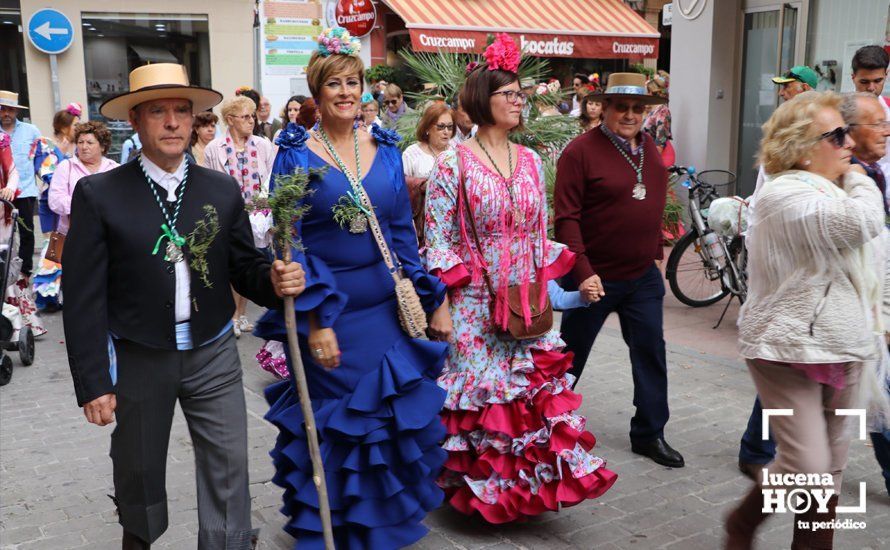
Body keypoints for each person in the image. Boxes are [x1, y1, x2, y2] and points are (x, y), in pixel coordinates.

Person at [63, 62, 304, 550]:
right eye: (158, 111)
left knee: (229, 464)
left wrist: (275, 281)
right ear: (135, 120)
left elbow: (243, 268)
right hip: (139, 354)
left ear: (194, 119)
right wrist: (93, 382)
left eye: (182, 110)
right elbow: (83, 297)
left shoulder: (220, 189)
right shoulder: (100, 193)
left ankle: (227, 544)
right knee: (138, 465)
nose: (172, 122)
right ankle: (140, 538)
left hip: (213, 350)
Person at [256, 27, 451, 549]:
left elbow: (402, 233)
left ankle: (380, 533)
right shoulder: (295, 156)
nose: (345, 92)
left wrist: (434, 301)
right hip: (334, 315)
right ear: (317, 94)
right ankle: (337, 533)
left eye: (353, 82)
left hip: (388, 312)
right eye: (334, 83)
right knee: (341, 429)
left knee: (388, 427)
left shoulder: (385, 149)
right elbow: (289, 245)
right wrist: (315, 321)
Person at [423, 34, 617, 523]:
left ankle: (517, 494)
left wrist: (561, 287)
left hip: (523, 299)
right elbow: (438, 241)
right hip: (470, 304)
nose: (518, 100)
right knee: (482, 400)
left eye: (520, 93)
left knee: (523, 395)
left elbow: (537, 234)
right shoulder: (453, 163)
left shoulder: (530, 161)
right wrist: (440, 307)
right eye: (508, 93)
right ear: (480, 100)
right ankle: (480, 496)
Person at [726, 90, 890, 549]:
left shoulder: (837, 187)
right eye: (837, 136)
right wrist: (861, 180)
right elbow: (857, 225)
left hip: (848, 345)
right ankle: (744, 521)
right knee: (809, 465)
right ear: (800, 146)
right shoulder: (784, 193)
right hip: (787, 349)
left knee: (827, 479)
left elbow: (879, 259)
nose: (848, 145)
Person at [554, 72, 685, 468]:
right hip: (593, 277)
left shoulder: (649, 146)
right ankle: (547, 427)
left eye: (637, 108)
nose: (630, 115)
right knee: (568, 360)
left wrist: (652, 258)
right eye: (622, 107)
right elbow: (567, 219)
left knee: (650, 354)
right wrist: (582, 272)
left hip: (641, 276)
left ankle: (649, 433)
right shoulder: (580, 151)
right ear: (604, 108)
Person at [204, 95, 275, 336]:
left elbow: (271, 179)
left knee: (249, 264)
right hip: (229, 215)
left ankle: (240, 315)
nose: (251, 121)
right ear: (230, 120)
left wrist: (266, 207)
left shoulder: (263, 144)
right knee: (228, 265)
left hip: (258, 216)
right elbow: (209, 183)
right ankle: (231, 315)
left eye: (252, 116)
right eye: (245, 116)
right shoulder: (215, 148)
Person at [49, 121, 119, 234]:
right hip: (73, 236)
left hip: (108, 236)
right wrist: (83, 204)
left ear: (102, 146)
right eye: (80, 142)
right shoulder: (66, 167)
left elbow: (121, 200)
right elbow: (55, 201)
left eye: (90, 143)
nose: (84, 147)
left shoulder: (114, 168)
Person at [0, 91, 42, 283]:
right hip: (2, 192)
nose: (6, 113)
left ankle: (25, 272)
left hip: (25, 189)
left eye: (10, 109)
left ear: (16, 110)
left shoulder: (31, 130)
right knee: (5, 234)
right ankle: (5, 271)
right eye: (2, 109)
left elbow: (41, 159)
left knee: (27, 232)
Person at [402, 102, 454, 239]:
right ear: (427, 128)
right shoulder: (412, 154)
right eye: (441, 127)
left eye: (450, 127)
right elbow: (400, 189)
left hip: (453, 227)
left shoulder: (457, 152)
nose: (446, 132)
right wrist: (422, 185)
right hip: (421, 225)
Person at [850, 45, 890, 182]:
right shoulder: (838, 111)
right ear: (853, 77)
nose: (871, 88)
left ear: (886, 75)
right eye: (864, 81)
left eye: (878, 81)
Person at [642, 71, 674, 166]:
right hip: (648, 155)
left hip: (659, 157)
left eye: (646, 91)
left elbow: (660, 143)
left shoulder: (662, 111)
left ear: (651, 92)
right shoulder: (650, 109)